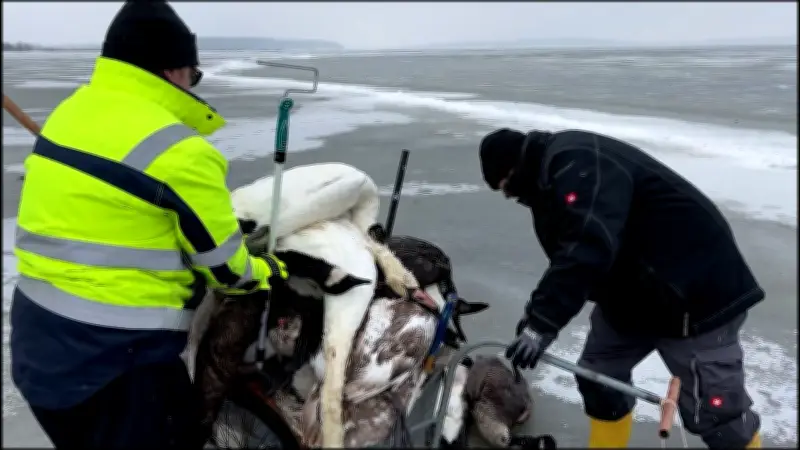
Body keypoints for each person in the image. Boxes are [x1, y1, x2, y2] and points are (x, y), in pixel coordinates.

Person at [10, 1, 289, 449]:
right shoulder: (180, 152)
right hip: (112, 370)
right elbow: (227, 272)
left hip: (37, 353)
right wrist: (268, 271)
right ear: (174, 70)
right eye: (193, 74)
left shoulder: (69, 113)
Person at [479, 128, 764, 449]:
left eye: (506, 187)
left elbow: (586, 247)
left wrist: (542, 324)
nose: (511, 196)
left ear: (514, 167)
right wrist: (535, 319)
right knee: (599, 379)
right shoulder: (549, 177)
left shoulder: (578, 164)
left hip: (695, 297)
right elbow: (569, 256)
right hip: (633, 297)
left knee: (719, 412)